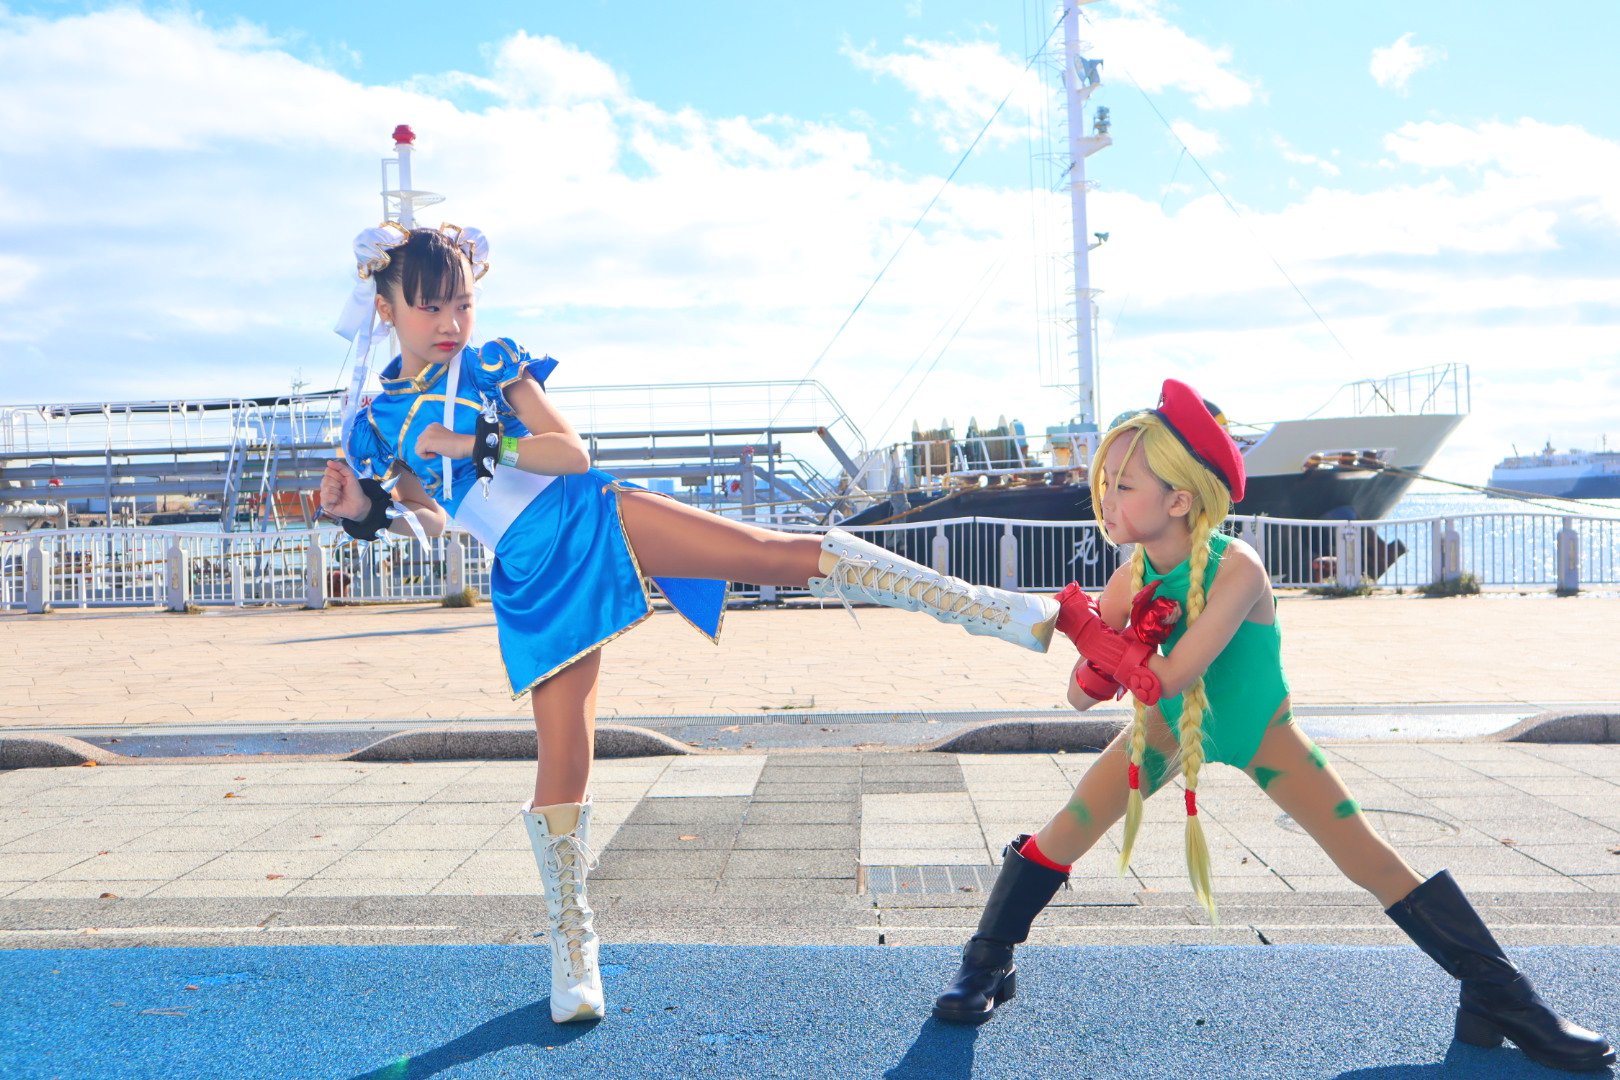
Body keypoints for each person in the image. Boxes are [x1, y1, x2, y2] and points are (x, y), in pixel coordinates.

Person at [319, 222, 1061, 1025]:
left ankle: (988, 608)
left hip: (592, 514)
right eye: (430, 307)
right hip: (532, 577)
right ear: (386, 307)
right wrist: (358, 508)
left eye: (461, 303)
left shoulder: (491, 364)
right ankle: (573, 948)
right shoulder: (375, 423)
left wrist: (474, 441)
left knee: (770, 552)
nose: (451, 322)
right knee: (564, 762)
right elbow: (428, 519)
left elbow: (571, 452)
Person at [929, 379, 1614, 1073]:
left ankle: (1500, 995)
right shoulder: (1129, 578)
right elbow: (1081, 698)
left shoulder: (1239, 567)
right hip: (1165, 732)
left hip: (1262, 732)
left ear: (1179, 500)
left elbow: (1175, 674)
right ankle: (987, 961)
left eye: (1123, 485)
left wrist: (1104, 641)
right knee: (1068, 827)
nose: (1106, 499)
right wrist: (1089, 648)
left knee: (1370, 859)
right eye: (1104, 483)